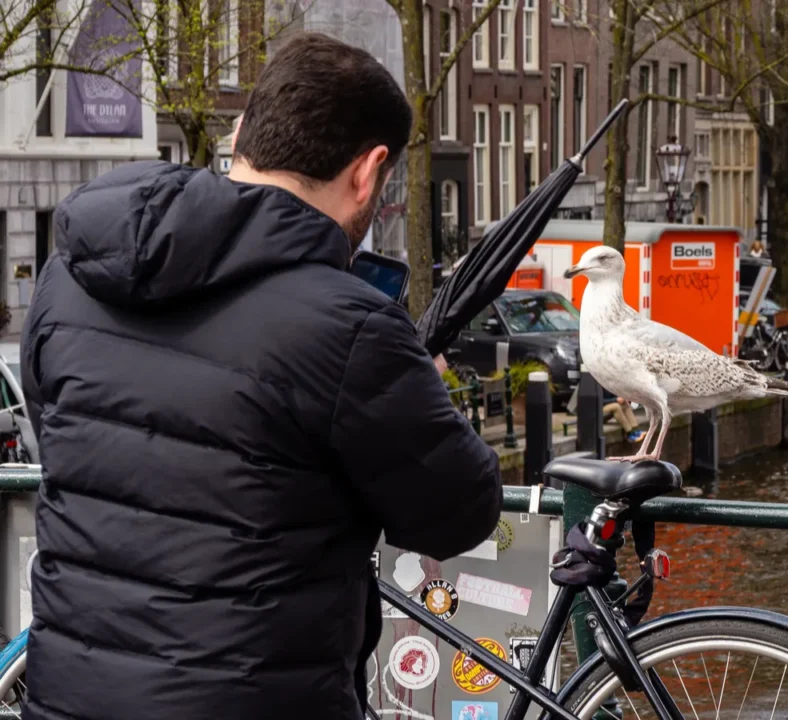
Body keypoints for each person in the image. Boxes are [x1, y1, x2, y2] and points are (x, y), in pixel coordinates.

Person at [20, 33, 501, 720]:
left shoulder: (67, 277)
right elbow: (458, 513)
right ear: (368, 172)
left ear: (241, 134)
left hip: (70, 699)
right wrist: (424, 390)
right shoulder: (351, 329)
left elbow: (57, 432)